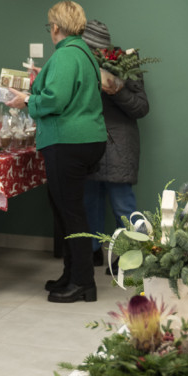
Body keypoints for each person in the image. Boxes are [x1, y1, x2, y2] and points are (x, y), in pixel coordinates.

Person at [5, 1, 107, 303]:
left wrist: (25, 100)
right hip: (89, 139)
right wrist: (41, 81)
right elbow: (68, 90)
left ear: (55, 27)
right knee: (67, 211)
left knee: (71, 214)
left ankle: (84, 283)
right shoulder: (84, 53)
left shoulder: (65, 55)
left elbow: (55, 100)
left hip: (68, 141)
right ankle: (72, 274)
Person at [79, 20, 149, 269]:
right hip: (88, 141)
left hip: (119, 146)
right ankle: (92, 251)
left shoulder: (125, 64)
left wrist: (116, 89)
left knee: (123, 204)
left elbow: (141, 107)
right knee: (89, 201)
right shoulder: (78, 65)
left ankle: (133, 254)